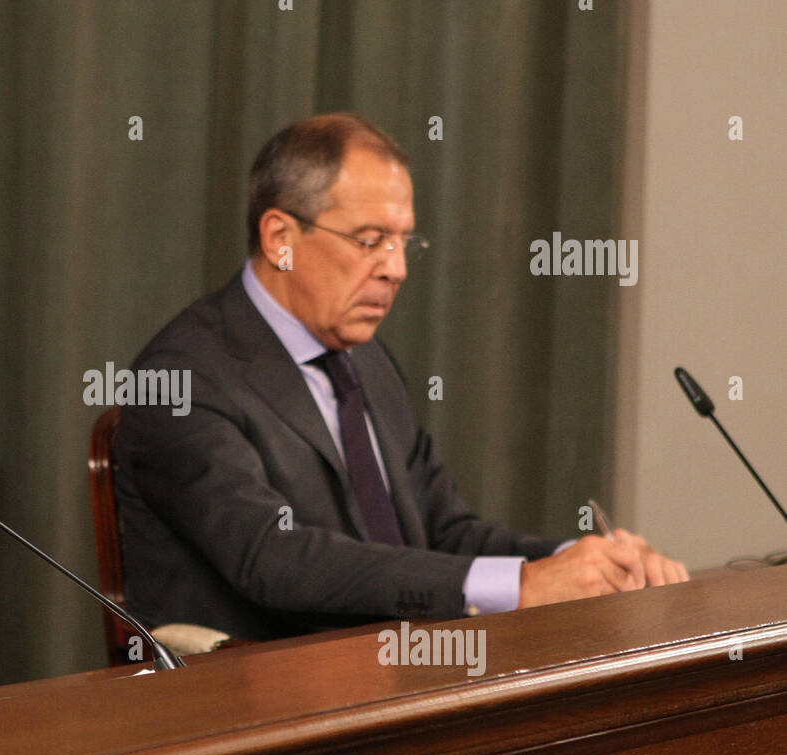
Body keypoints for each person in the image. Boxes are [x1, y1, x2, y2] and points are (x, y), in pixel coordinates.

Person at [114, 112, 687, 642]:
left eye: (404, 241)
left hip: (395, 677)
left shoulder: (366, 361)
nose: (397, 268)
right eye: (370, 241)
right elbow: (274, 559)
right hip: (253, 706)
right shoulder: (182, 379)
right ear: (280, 240)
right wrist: (525, 588)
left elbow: (444, 535)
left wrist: (579, 564)